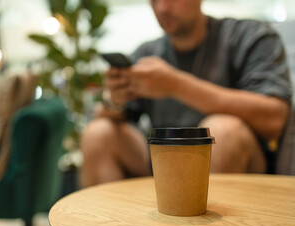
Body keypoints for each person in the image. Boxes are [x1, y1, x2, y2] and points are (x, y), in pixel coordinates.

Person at [80, 0, 292, 187]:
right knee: (98, 133)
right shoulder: (148, 54)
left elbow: (275, 118)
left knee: (221, 132)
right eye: (153, 0)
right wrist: (115, 101)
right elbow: (105, 118)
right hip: (162, 165)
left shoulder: (249, 37)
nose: (162, 7)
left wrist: (176, 85)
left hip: (246, 169)